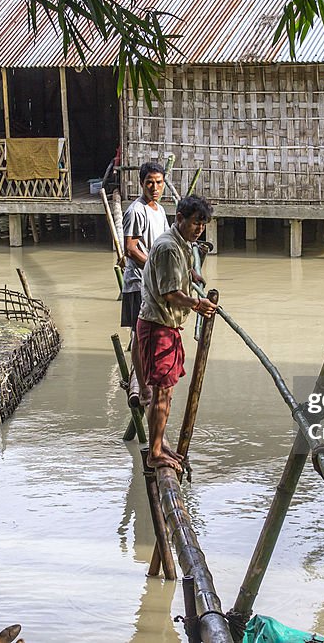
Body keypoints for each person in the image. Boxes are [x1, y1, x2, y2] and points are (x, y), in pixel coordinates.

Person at [137, 195, 217, 470]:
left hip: (163, 324)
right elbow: (170, 293)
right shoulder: (170, 248)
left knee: (166, 390)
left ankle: (159, 445)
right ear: (180, 218)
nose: (199, 229)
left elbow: (176, 272)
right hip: (159, 325)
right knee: (161, 391)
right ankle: (155, 452)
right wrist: (197, 303)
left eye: (203, 224)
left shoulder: (180, 244)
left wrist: (191, 273)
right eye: (196, 222)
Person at [121, 162, 170, 406]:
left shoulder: (159, 211)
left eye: (159, 182)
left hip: (153, 283)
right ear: (142, 183)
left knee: (150, 334)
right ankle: (143, 388)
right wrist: (152, 268)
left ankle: (149, 381)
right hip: (138, 282)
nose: (154, 187)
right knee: (139, 336)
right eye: (149, 182)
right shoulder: (136, 210)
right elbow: (130, 248)